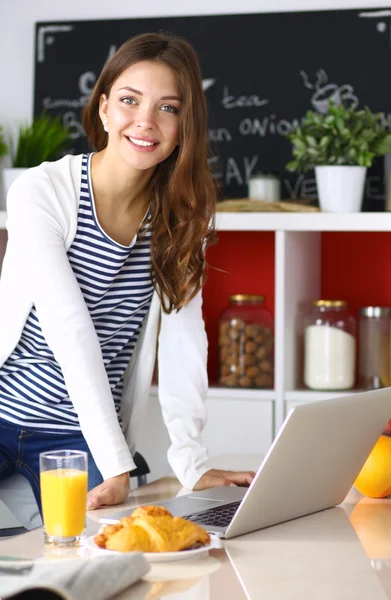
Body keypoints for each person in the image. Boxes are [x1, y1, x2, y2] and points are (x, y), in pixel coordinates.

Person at [0, 32, 255, 519]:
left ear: (185, 125)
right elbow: (69, 330)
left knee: (102, 560)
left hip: (79, 434)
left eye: (168, 108)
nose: (145, 121)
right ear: (102, 109)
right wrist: (117, 462)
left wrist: (191, 462)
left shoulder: (182, 217)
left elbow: (184, 342)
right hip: (4, 409)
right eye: (129, 100)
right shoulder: (41, 192)